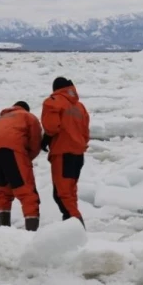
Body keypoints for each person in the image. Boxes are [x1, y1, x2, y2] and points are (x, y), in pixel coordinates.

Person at [0, 101, 43, 231]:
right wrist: (26, 160)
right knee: (27, 192)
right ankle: (31, 234)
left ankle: (4, 230)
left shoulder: (1, 119)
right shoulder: (28, 116)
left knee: (3, 191)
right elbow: (35, 142)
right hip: (12, 149)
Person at [40, 77, 90, 228]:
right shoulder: (80, 107)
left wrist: (45, 140)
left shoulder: (53, 101)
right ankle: (69, 227)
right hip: (78, 155)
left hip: (63, 154)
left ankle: (77, 228)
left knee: (62, 195)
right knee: (70, 194)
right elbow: (85, 133)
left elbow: (51, 127)